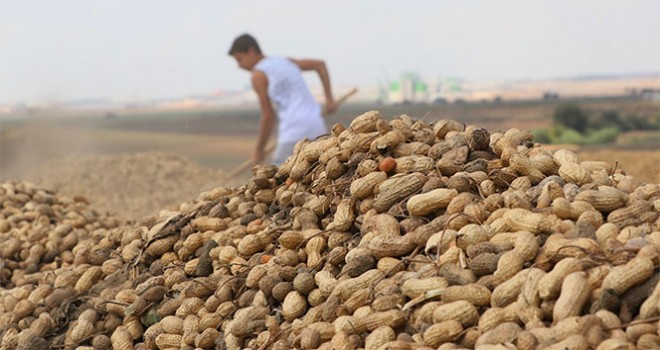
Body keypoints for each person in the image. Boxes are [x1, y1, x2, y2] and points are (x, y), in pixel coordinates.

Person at [228, 33, 337, 166]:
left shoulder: (258, 75)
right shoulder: (286, 62)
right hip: (317, 127)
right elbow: (320, 64)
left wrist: (259, 149)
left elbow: (268, 116)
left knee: (277, 179)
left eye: (239, 59)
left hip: (293, 135)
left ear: (251, 51)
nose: (239, 66)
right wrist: (329, 99)